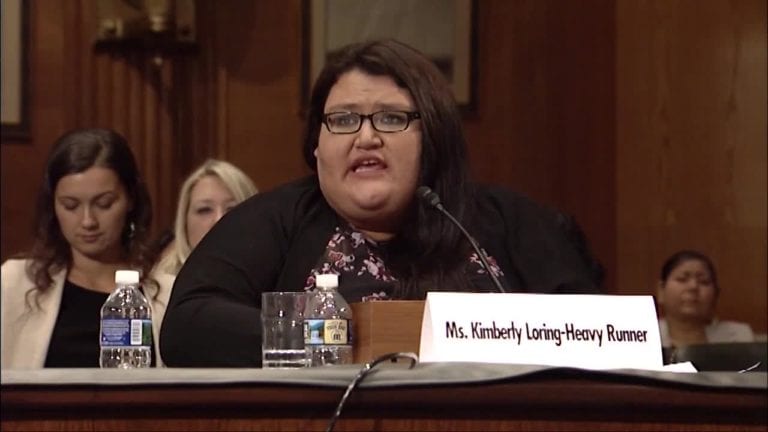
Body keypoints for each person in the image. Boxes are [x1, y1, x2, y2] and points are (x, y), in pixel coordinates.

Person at [160, 39, 603, 367]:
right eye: (343, 119)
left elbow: (602, 337)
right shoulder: (275, 219)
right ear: (317, 145)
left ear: (432, 137)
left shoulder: (506, 219)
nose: (366, 137)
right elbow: (188, 326)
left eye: (391, 118)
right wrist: (340, 337)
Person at [1, 128, 172, 368]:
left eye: (104, 204)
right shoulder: (15, 284)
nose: (88, 221)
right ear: (53, 206)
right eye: (71, 206)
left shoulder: (167, 293)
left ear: (130, 199)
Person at [154, 159, 258, 276]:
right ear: (184, 224)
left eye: (232, 209)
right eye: (205, 210)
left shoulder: (276, 282)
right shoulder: (156, 288)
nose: (219, 220)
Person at [656, 250, 754, 348]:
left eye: (704, 282)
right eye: (682, 279)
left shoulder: (739, 337)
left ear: (716, 294)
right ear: (661, 291)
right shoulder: (645, 335)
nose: (693, 286)